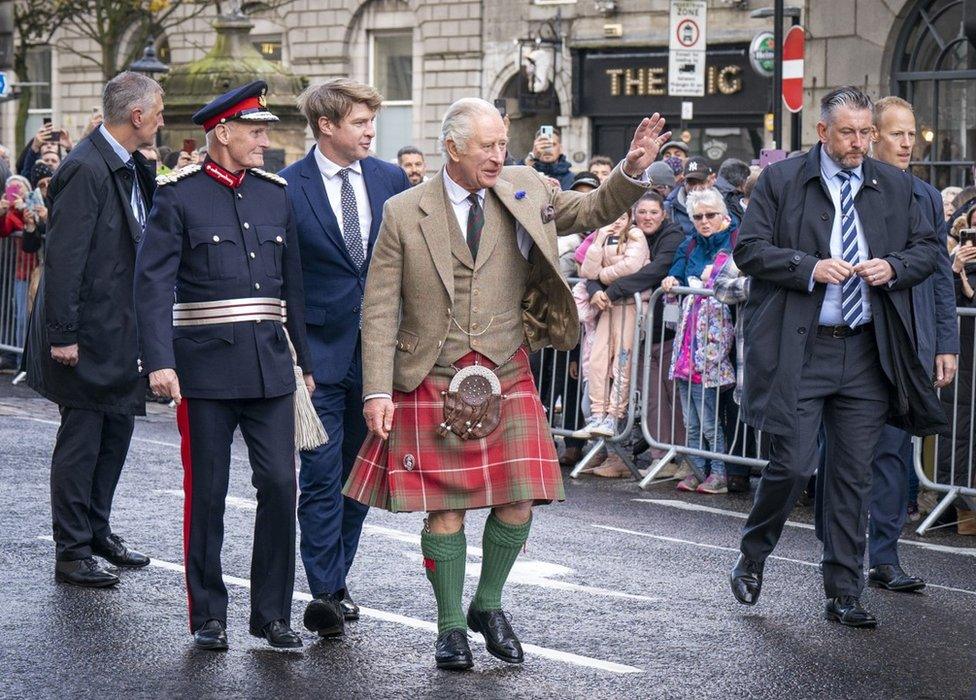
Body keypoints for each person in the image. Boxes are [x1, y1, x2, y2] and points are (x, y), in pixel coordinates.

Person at [344, 97, 669, 670]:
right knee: (444, 510)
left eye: (503, 144)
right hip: (431, 372)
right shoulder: (402, 211)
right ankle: (449, 627)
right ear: (452, 150)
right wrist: (376, 392)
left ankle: (487, 605)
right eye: (487, 146)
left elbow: (591, 209)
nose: (500, 155)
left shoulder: (525, 188)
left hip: (506, 368)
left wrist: (632, 170)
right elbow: (378, 309)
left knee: (520, 499)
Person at [730, 86, 943, 628]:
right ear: (822, 132)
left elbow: (927, 251)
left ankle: (844, 590)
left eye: (867, 132)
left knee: (852, 475)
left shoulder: (894, 185)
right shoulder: (782, 180)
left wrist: (891, 267)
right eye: (848, 132)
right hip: (801, 350)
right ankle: (754, 552)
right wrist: (809, 267)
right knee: (795, 464)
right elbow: (748, 250)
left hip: (867, 352)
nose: (859, 143)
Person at [135, 80, 313, 651]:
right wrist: (159, 361)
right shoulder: (178, 195)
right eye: (256, 131)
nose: (265, 140)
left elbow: (294, 287)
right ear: (223, 133)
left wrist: (304, 362)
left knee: (282, 486)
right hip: (204, 371)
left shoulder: (274, 193)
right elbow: (153, 283)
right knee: (207, 492)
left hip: (269, 367)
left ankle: (272, 616)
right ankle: (209, 614)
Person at [279, 79, 411, 638]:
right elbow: (283, 280)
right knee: (319, 474)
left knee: (360, 478)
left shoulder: (390, 179)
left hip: (379, 359)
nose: (370, 131)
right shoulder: (286, 186)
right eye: (359, 122)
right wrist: (293, 357)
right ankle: (326, 590)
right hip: (318, 358)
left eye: (370, 121)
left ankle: (337, 578)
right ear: (326, 126)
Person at [24, 72, 162, 588]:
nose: (163, 119)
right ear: (137, 116)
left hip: (120, 329)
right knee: (82, 440)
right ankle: (72, 549)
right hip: (86, 333)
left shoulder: (126, 165)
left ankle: (97, 529)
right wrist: (62, 334)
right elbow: (64, 260)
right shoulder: (85, 168)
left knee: (116, 432)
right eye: (160, 110)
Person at [849, 96, 957, 592]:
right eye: (898, 133)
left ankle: (885, 558)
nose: (908, 142)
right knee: (848, 457)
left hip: (905, 344)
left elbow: (938, 278)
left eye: (913, 133)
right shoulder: (847, 189)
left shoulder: (926, 197)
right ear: (872, 137)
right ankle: (843, 555)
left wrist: (944, 344)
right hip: (850, 342)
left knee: (893, 451)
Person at [591, 192, 685, 462]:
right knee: (652, 400)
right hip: (638, 330)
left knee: (674, 397)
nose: (647, 217)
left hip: (666, 331)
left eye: (653, 212)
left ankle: (683, 459)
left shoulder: (672, 235)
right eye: (642, 212)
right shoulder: (624, 231)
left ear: (663, 214)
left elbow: (657, 269)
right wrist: (596, 287)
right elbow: (594, 265)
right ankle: (659, 457)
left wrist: (613, 291)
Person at [661, 189, 737, 494]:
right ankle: (695, 470)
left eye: (710, 215)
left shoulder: (736, 241)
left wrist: (712, 275)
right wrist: (670, 281)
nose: (704, 221)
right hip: (686, 344)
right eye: (698, 217)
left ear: (724, 217)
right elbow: (675, 275)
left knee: (708, 418)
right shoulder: (689, 243)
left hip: (714, 345)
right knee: (690, 420)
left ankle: (718, 473)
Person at [579, 210, 648, 447]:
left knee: (622, 361)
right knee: (598, 361)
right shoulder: (603, 236)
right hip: (608, 306)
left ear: (629, 218)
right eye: (613, 215)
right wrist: (598, 240)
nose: (617, 220)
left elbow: (631, 266)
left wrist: (601, 277)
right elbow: (586, 272)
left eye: (622, 216)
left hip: (630, 306)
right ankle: (597, 415)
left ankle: (613, 415)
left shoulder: (636, 235)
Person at [666, 156, 716, 238]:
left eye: (701, 182)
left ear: (712, 180)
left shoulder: (725, 204)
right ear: (683, 182)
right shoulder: (669, 208)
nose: (696, 188)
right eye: (691, 183)